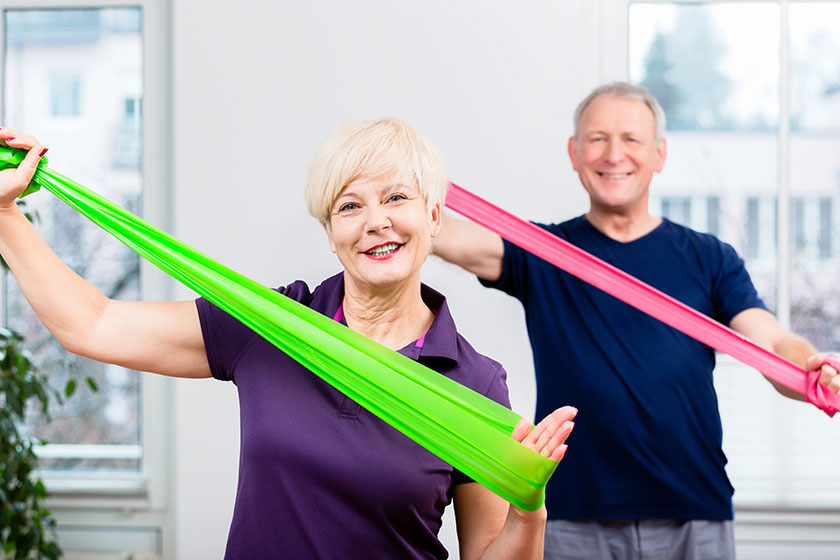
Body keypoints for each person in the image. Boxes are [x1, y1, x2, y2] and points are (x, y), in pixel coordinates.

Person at [0, 118, 576, 559]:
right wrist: (5, 214)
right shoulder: (274, 325)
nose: (376, 221)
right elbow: (92, 323)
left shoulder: (474, 382)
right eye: (350, 205)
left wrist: (529, 514)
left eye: (396, 198)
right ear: (330, 234)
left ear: (433, 217)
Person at [432, 82, 840, 560]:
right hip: (572, 516)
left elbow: (772, 343)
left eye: (631, 139)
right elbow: (445, 235)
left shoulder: (709, 258)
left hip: (694, 514)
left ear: (659, 154)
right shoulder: (542, 253)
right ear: (575, 151)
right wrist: (396, 196)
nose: (613, 154)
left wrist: (810, 369)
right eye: (598, 138)